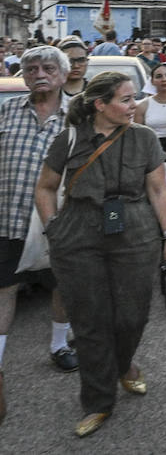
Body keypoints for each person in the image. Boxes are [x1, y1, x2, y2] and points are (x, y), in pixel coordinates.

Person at [32, 71, 166, 438]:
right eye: (126, 99)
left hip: (134, 229)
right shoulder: (68, 139)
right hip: (78, 231)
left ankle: (124, 364)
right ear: (101, 104)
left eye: (134, 99)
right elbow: (46, 188)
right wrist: (55, 231)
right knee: (89, 320)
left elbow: (159, 190)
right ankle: (98, 402)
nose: (134, 106)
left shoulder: (144, 138)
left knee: (132, 316)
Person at [0, 46, 78, 423]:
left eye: (48, 68)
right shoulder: (5, 110)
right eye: (31, 69)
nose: (39, 74)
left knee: (60, 284)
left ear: (64, 76)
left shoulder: (77, 117)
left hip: (58, 219)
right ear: (24, 76)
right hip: (8, 216)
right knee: (4, 288)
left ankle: (59, 345)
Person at [136, 62, 166, 162]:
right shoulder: (142, 106)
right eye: (159, 76)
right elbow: (138, 136)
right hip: (152, 154)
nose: (164, 79)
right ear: (152, 81)